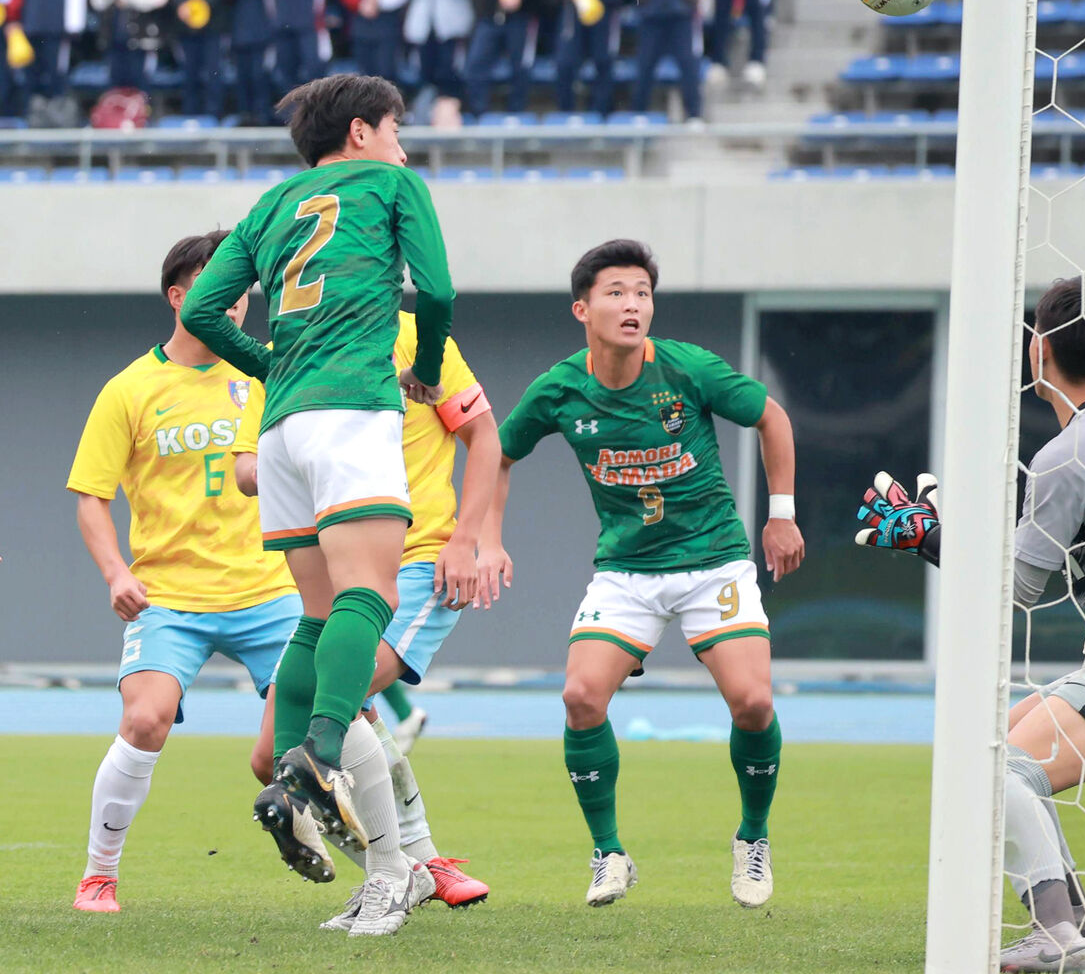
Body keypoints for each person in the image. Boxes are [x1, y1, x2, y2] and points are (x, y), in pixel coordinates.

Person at [852, 276, 1085, 973]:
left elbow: (1011, 589)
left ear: (1037, 350)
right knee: (994, 744)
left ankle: (1056, 936)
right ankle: (1078, 920)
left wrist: (928, 538)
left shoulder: (1065, 455)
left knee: (992, 768)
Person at [179, 72, 457, 934]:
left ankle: (308, 773)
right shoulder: (393, 185)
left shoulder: (270, 205)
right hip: (351, 413)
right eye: (398, 131)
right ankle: (319, 759)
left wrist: (272, 367)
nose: (405, 148)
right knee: (369, 596)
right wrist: (431, 369)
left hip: (283, 426)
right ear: (366, 132)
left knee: (314, 613)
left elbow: (203, 309)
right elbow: (438, 293)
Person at [478, 239, 804, 908]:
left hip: (714, 563)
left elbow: (772, 416)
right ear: (582, 308)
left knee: (754, 703)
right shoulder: (560, 389)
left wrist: (782, 514)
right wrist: (487, 536)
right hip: (626, 571)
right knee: (579, 697)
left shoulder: (688, 369)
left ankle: (752, 838)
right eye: (616, 293)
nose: (633, 305)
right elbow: (496, 452)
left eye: (642, 293)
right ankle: (609, 854)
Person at [233, 306, 498, 922]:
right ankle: (410, 866)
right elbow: (247, 467)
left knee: (336, 696)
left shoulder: (415, 336)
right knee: (270, 755)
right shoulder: (289, 347)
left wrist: (468, 538)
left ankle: (398, 873)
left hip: (420, 556)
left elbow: (484, 432)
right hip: (340, 563)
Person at [66, 231, 303, 915]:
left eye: (242, 296)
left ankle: (409, 860)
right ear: (180, 297)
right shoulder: (129, 390)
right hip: (169, 597)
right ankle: (99, 874)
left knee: (340, 717)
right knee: (145, 719)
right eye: (220, 291)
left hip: (268, 592)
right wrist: (116, 573)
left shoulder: (265, 377)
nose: (236, 307)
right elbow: (91, 497)